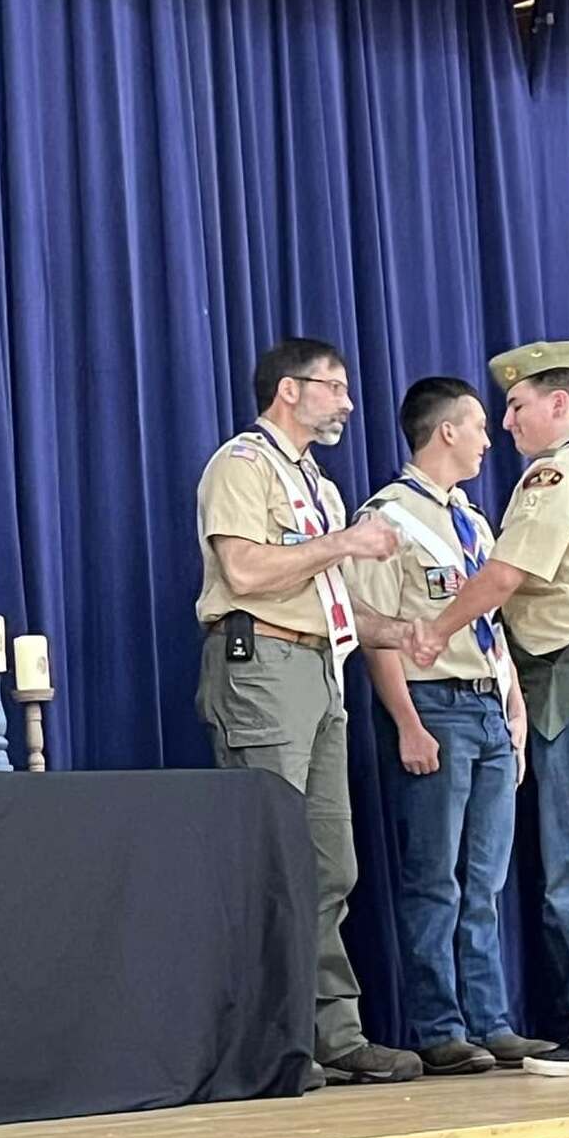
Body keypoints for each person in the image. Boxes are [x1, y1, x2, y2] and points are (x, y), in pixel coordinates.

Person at [413, 342, 569, 1077]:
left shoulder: (563, 469)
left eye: (517, 406)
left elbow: (508, 573)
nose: (507, 422)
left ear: (559, 403)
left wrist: (435, 627)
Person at [195, 337, 429, 1087]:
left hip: (323, 668)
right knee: (274, 859)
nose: (347, 403)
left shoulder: (318, 486)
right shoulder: (242, 464)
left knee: (331, 862)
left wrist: (400, 630)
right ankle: (273, 1039)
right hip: (261, 665)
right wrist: (346, 541)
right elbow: (244, 568)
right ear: (289, 390)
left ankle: (336, 1031)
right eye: (333, 386)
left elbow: (329, 597)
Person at [351, 378, 555, 1073]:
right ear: (445, 432)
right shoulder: (389, 517)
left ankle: (490, 1018)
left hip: (488, 705)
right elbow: (375, 634)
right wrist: (407, 721)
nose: (487, 438)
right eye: (476, 426)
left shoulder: (470, 517)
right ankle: (439, 1024)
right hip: (434, 705)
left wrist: (514, 702)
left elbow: (490, 621)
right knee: (434, 876)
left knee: (485, 877)